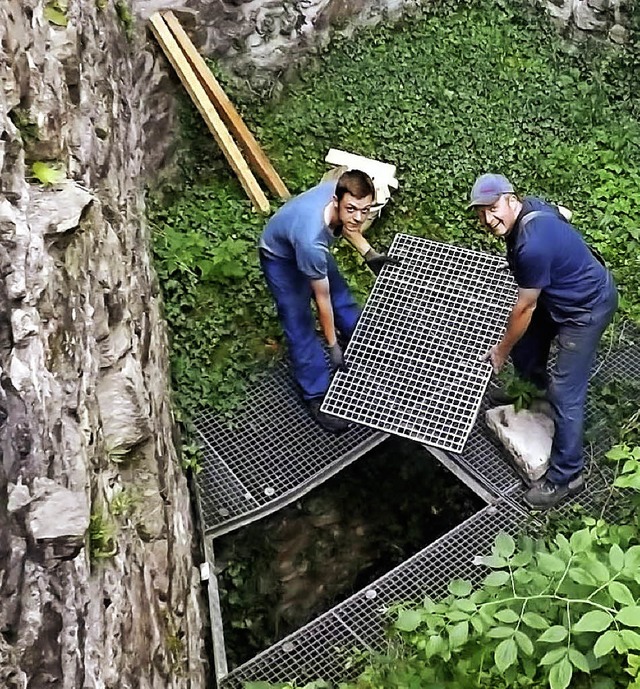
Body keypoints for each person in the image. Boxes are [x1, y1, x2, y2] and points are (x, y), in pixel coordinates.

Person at [468, 173, 618, 509]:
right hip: (561, 294)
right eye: (481, 213)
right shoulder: (531, 209)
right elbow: (561, 217)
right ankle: (532, 390)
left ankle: (568, 475)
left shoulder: (531, 246)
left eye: (493, 208)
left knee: (566, 391)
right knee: (528, 346)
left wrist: (499, 352)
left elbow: (524, 308)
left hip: (585, 310)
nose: (489, 219)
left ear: (511, 199)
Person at [259, 169, 399, 433]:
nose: (359, 216)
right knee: (299, 321)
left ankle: (358, 337)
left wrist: (369, 253)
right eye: (352, 208)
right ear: (336, 201)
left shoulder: (342, 191)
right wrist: (333, 345)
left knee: (339, 291)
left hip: (305, 244)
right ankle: (316, 393)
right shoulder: (311, 241)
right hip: (281, 259)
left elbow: (349, 222)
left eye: (365, 209)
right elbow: (320, 299)